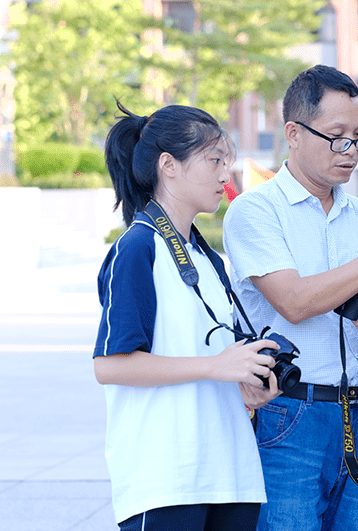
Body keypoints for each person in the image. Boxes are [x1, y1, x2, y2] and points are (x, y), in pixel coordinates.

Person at [223, 64, 358, 531]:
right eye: (338, 136)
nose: (352, 151)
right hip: (291, 414)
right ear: (293, 133)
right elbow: (293, 301)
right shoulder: (254, 210)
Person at [94, 102, 282, 530]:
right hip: (166, 481)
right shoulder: (137, 248)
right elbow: (109, 365)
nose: (225, 176)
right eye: (214, 161)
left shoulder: (208, 258)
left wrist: (243, 385)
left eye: (226, 163)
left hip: (231, 475)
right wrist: (215, 366)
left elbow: (208, 359)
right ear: (169, 166)